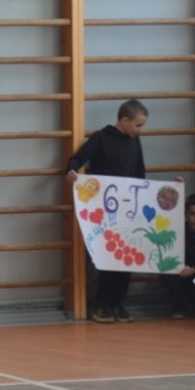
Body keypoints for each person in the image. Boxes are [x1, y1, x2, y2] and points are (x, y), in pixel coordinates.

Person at [66, 99, 149, 323]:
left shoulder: (134, 141)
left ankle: (118, 303)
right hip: (105, 211)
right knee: (111, 257)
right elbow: (77, 159)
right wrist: (72, 170)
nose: (140, 130)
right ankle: (102, 305)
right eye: (138, 125)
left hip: (128, 209)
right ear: (125, 120)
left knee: (127, 257)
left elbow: (140, 173)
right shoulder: (100, 138)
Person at [161, 194, 195, 318]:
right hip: (183, 276)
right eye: (192, 214)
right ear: (186, 214)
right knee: (172, 273)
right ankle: (180, 306)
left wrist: (193, 269)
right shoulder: (178, 231)